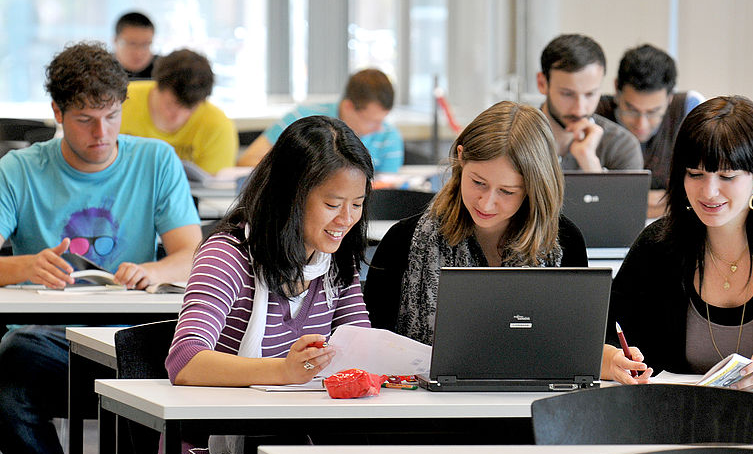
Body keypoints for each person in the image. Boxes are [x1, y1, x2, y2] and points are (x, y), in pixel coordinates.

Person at [0, 41, 202, 454]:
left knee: (164, 383)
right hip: (49, 343)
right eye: (85, 119)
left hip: (127, 340)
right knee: (9, 370)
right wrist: (22, 266)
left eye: (112, 116)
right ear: (57, 112)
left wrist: (154, 270)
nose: (102, 133)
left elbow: (192, 254)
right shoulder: (20, 170)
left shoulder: (155, 160)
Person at [159, 115, 373, 454]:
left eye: (357, 204)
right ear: (291, 196)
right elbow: (185, 363)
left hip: (300, 447)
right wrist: (283, 372)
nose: (346, 219)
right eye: (331, 204)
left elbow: (361, 348)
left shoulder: (336, 262)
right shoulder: (228, 255)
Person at [601, 96, 753, 389]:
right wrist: (612, 361)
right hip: (673, 421)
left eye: (727, 176)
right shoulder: (658, 245)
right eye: (695, 174)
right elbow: (602, 335)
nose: (709, 191)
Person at [364, 101, 589, 343]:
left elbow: (580, 342)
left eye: (507, 191)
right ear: (461, 158)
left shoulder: (566, 241)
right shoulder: (402, 241)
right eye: (478, 183)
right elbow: (372, 347)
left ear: (533, 189)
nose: (486, 203)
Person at [596, 44, 704, 217]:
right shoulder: (594, 112)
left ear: (670, 98)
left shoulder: (688, 109)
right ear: (617, 89)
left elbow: (704, 190)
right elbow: (591, 201)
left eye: (653, 112)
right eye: (631, 110)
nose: (642, 124)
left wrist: (625, 202)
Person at [237, 68, 404, 172]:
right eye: (371, 121)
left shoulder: (390, 136)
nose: (379, 128)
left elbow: (385, 191)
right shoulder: (302, 119)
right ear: (348, 107)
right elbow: (247, 161)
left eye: (383, 119)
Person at [536, 34, 643, 173]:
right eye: (567, 94)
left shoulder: (621, 146)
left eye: (590, 94)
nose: (579, 110)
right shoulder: (514, 139)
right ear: (542, 84)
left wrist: (589, 162)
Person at [121, 48, 238, 174]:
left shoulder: (218, 126)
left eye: (189, 109)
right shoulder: (121, 101)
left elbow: (213, 188)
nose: (178, 117)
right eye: (170, 105)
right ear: (157, 86)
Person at [113, 11, 157, 79]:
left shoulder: (165, 69)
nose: (139, 53)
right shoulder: (100, 69)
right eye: (132, 44)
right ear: (115, 41)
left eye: (145, 45)